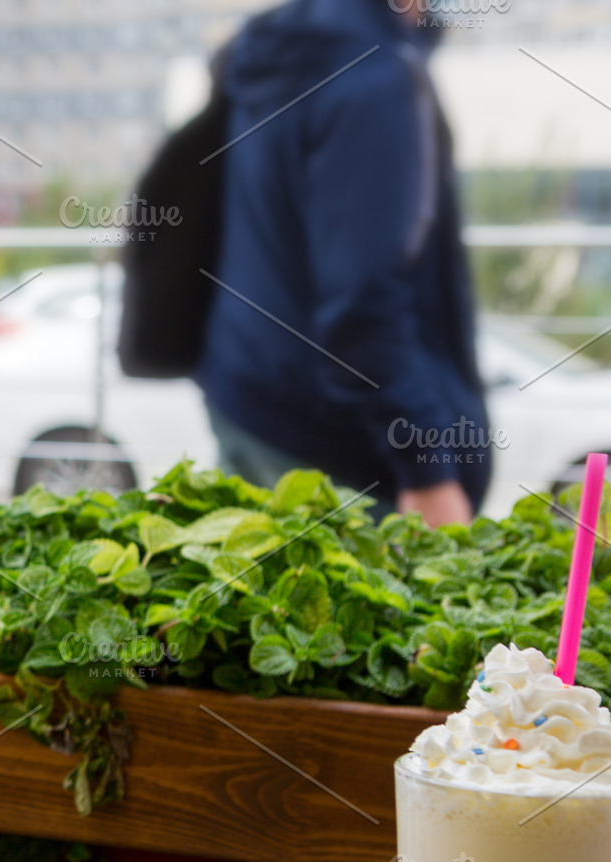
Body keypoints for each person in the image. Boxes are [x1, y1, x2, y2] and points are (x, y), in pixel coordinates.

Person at [195, 0, 487, 526]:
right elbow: (363, 303)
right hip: (343, 450)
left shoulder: (286, 48)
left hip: (250, 394)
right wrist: (429, 473)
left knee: (260, 599)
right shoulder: (376, 75)